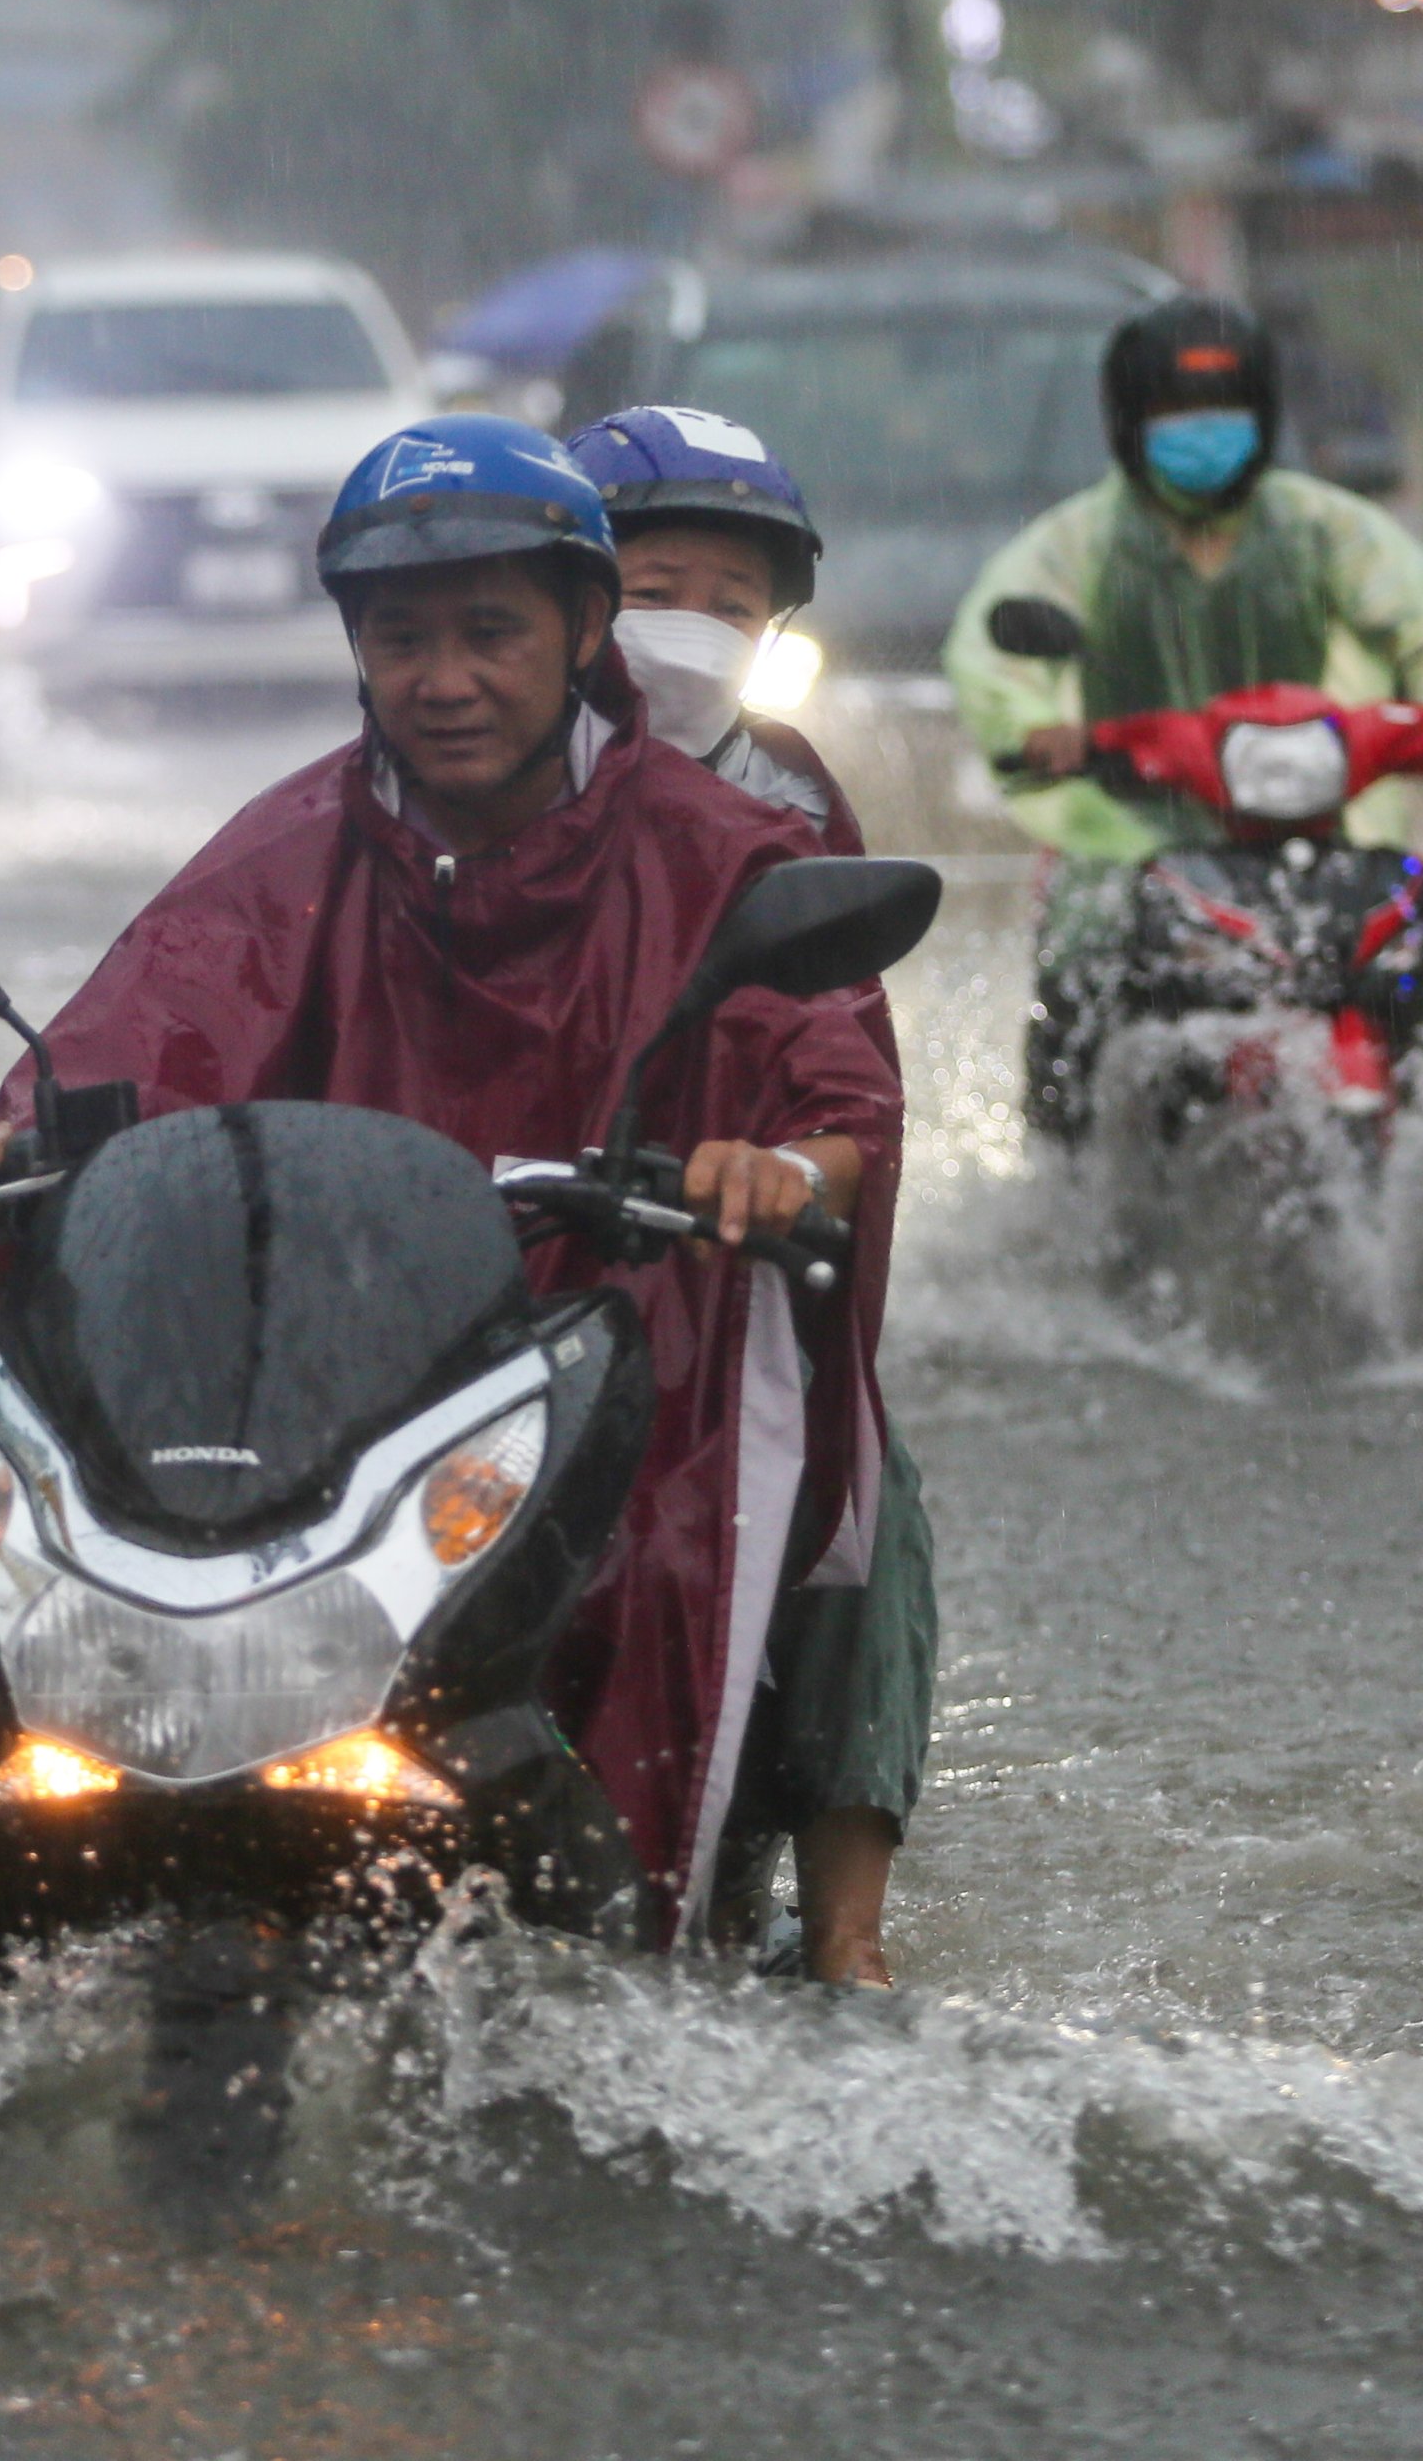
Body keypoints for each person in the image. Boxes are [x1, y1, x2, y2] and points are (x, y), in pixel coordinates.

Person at [0, 414, 906, 1960]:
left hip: (621, 1350)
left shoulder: (723, 851)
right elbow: (141, 1031)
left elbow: (838, 1093)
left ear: (582, 629)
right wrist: (6, 1141)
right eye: (400, 637)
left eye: (490, 633)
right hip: (345, 1375)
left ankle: (790, 1951)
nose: (444, 679)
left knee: (835, 1549)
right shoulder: (290, 844)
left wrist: (768, 1170)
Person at [565, 403, 937, 1988]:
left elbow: (841, 1050)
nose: (691, 631)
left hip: (714, 1257)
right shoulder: (435, 782)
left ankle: (851, 1945)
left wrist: (792, 1170)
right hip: (468, 1257)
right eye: (658, 587)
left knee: (866, 1506)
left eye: (732, 602)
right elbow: (224, 989)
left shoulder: (781, 801)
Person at [941, 296, 1423, 1142]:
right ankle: (1063, 1172)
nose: (1203, 434)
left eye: (1224, 413)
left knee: (1406, 925)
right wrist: (1031, 727)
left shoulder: (1319, 526)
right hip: (1129, 830)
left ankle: (1419, 1118)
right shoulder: (1081, 541)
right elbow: (996, 646)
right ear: (1130, 424)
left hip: (1312, 816)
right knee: (1082, 964)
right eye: (1176, 416)